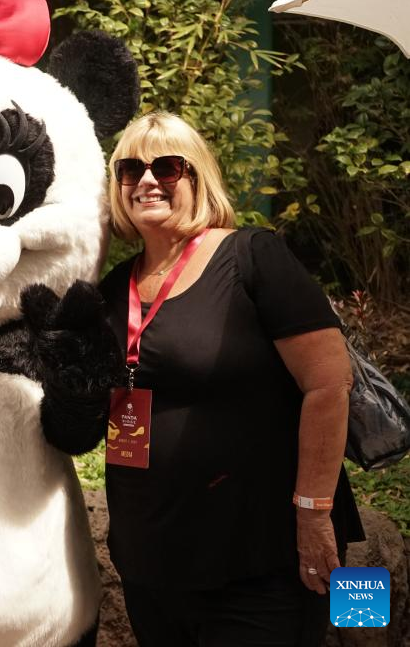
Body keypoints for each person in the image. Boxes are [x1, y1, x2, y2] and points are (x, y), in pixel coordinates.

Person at [97, 111, 364, 646]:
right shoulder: (112, 289)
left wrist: (314, 515)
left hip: (256, 562)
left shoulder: (252, 257)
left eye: (167, 167)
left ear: (198, 179)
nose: (147, 181)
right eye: (129, 170)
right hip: (152, 563)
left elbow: (329, 384)